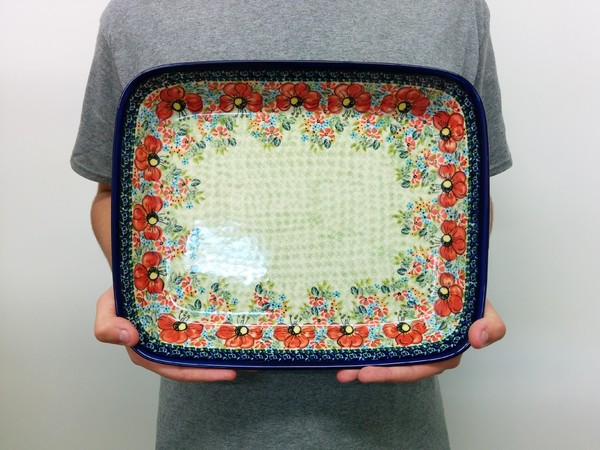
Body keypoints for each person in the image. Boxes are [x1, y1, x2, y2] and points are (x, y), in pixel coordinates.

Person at [72, 0, 511, 448]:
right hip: (206, 431)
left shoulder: (453, 10)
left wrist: (454, 291)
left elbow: (463, 194)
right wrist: (138, 289)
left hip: (397, 432)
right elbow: (112, 196)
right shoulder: (137, 14)